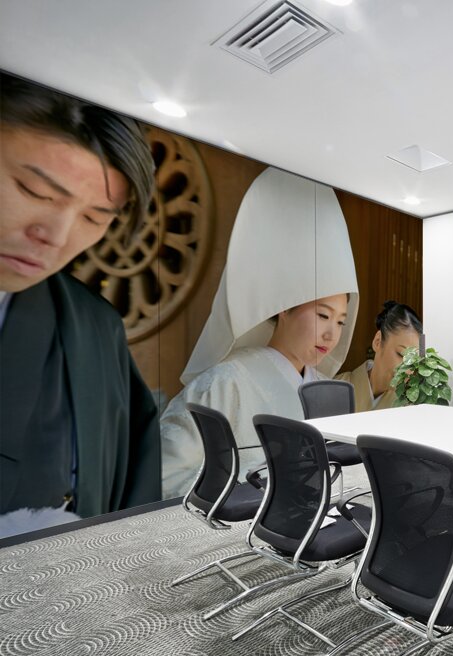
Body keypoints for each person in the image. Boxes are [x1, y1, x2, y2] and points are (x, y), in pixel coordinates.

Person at [0, 75, 161, 537]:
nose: (55, 234)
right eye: (35, 192)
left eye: (94, 218)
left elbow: (130, 479)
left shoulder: (93, 324)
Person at [159, 168, 359, 498]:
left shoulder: (323, 388)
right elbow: (168, 471)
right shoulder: (226, 382)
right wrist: (250, 497)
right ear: (285, 306)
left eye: (340, 321)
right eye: (323, 315)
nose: (331, 334)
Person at [337, 300, 422, 412]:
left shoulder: (409, 406)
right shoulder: (334, 388)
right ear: (377, 341)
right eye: (401, 354)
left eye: (413, 362)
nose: (407, 370)